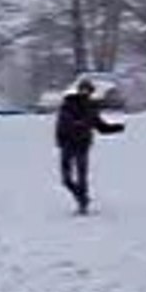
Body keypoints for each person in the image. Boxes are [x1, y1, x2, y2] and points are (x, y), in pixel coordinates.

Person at [55, 79, 125, 215]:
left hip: (83, 145)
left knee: (82, 176)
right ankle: (81, 197)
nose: (85, 92)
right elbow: (62, 124)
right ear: (78, 90)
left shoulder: (91, 108)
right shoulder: (68, 104)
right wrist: (62, 139)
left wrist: (116, 128)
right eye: (83, 89)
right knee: (66, 179)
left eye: (88, 90)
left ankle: (83, 204)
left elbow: (100, 126)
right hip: (68, 145)